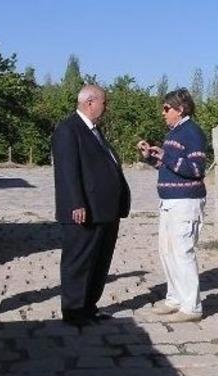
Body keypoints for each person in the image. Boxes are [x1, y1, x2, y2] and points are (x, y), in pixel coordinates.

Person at [53, 84, 131, 327]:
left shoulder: (95, 131)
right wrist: (77, 202)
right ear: (90, 102)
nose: (105, 108)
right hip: (84, 210)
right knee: (79, 261)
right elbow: (67, 171)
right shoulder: (69, 130)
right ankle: (74, 310)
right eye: (103, 103)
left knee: (99, 261)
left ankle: (89, 306)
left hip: (105, 210)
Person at [137, 88, 207, 322]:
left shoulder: (192, 132)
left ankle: (192, 307)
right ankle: (175, 298)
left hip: (185, 202)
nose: (163, 112)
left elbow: (196, 169)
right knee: (167, 252)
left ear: (181, 109)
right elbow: (170, 168)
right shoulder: (175, 133)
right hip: (169, 201)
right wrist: (152, 157)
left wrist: (166, 156)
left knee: (182, 252)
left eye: (167, 108)